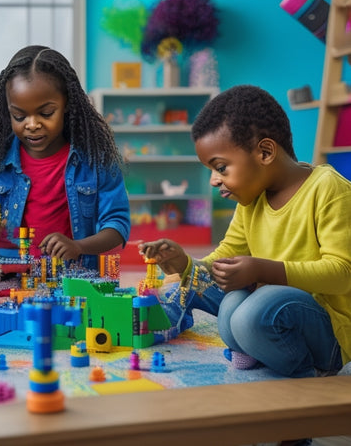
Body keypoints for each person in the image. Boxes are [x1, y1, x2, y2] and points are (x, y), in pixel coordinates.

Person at [139, 84, 351, 379]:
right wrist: (185, 264)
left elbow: (342, 274)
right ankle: (264, 353)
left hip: (330, 332)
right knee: (230, 310)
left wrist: (261, 270)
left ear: (265, 152)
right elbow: (226, 256)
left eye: (221, 168)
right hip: (278, 312)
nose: (214, 180)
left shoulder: (328, 188)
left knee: (254, 312)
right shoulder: (252, 198)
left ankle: (311, 372)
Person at [0, 45, 130, 276]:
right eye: (19, 116)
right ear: (7, 111)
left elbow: (117, 225)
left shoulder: (96, 162)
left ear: (67, 103)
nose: (32, 124)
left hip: (70, 275)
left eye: (46, 113)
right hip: (0, 275)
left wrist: (78, 246)